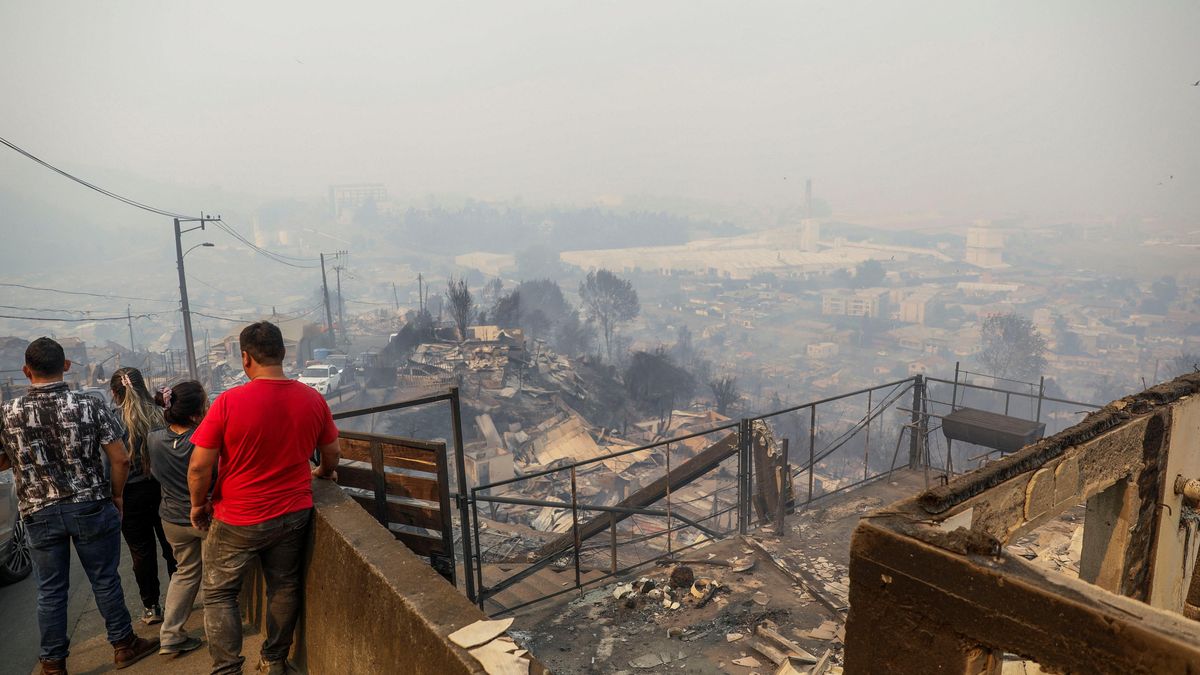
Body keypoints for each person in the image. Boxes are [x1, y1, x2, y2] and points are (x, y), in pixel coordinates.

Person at [189, 322, 341, 675]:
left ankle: (227, 669)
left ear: (245, 358)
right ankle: (274, 660)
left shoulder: (228, 402)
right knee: (284, 586)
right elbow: (332, 453)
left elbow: (199, 466)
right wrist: (323, 472)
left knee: (219, 592)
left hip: (237, 516)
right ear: (283, 353)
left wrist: (198, 505)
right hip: (293, 514)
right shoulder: (312, 399)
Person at [0, 338, 158, 674]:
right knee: (105, 579)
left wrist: (25, 456)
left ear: (26, 371)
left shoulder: (8, 413)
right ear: (67, 366)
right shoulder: (90, 405)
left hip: (39, 512)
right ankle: (124, 645)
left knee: (50, 591)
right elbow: (121, 459)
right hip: (91, 504)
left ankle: (53, 663)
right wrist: (117, 496)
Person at [110, 367, 178, 625]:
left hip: (130, 494)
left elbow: (113, 462)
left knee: (141, 553)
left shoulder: (113, 421)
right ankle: (178, 601)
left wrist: (115, 495)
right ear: (142, 387)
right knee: (171, 547)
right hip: (163, 489)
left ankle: (152, 607)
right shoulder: (160, 414)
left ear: (115, 393)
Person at [147, 380, 210, 657]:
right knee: (215, 579)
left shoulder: (153, 438)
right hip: (204, 516)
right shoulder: (203, 440)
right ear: (196, 413)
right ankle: (218, 633)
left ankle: (171, 635)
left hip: (171, 519)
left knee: (184, 573)